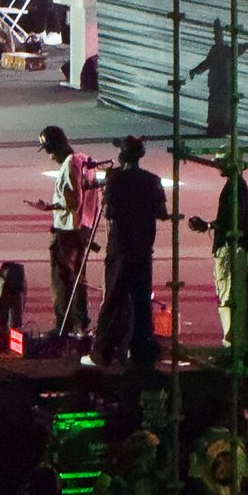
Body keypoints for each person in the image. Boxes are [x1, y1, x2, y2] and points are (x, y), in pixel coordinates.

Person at [94, 137, 168, 367]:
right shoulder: (152, 180)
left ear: (123, 156)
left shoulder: (116, 179)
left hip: (120, 248)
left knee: (113, 298)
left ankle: (103, 350)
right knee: (141, 301)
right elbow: (162, 213)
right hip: (143, 248)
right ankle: (139, 350)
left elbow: (109, 212)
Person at [189, 159, 248, 349]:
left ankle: (232, 345)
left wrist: (209, 225)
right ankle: (233, 342)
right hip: (230, 245)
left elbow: (233, 219)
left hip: (228, 247)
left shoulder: (236, 186)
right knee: (228, 295)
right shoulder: (236, 185)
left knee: (227, 295)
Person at [35, 125, 90, 334]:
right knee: (78, 277)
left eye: (49, 151)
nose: (49, 157)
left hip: (67, 229)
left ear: (55, 147)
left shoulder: (69, 165)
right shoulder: (83, 160)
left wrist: (52, 207)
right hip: (82, 227)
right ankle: (80, 321)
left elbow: (73, 201)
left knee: (62, 277)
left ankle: (62, 325)